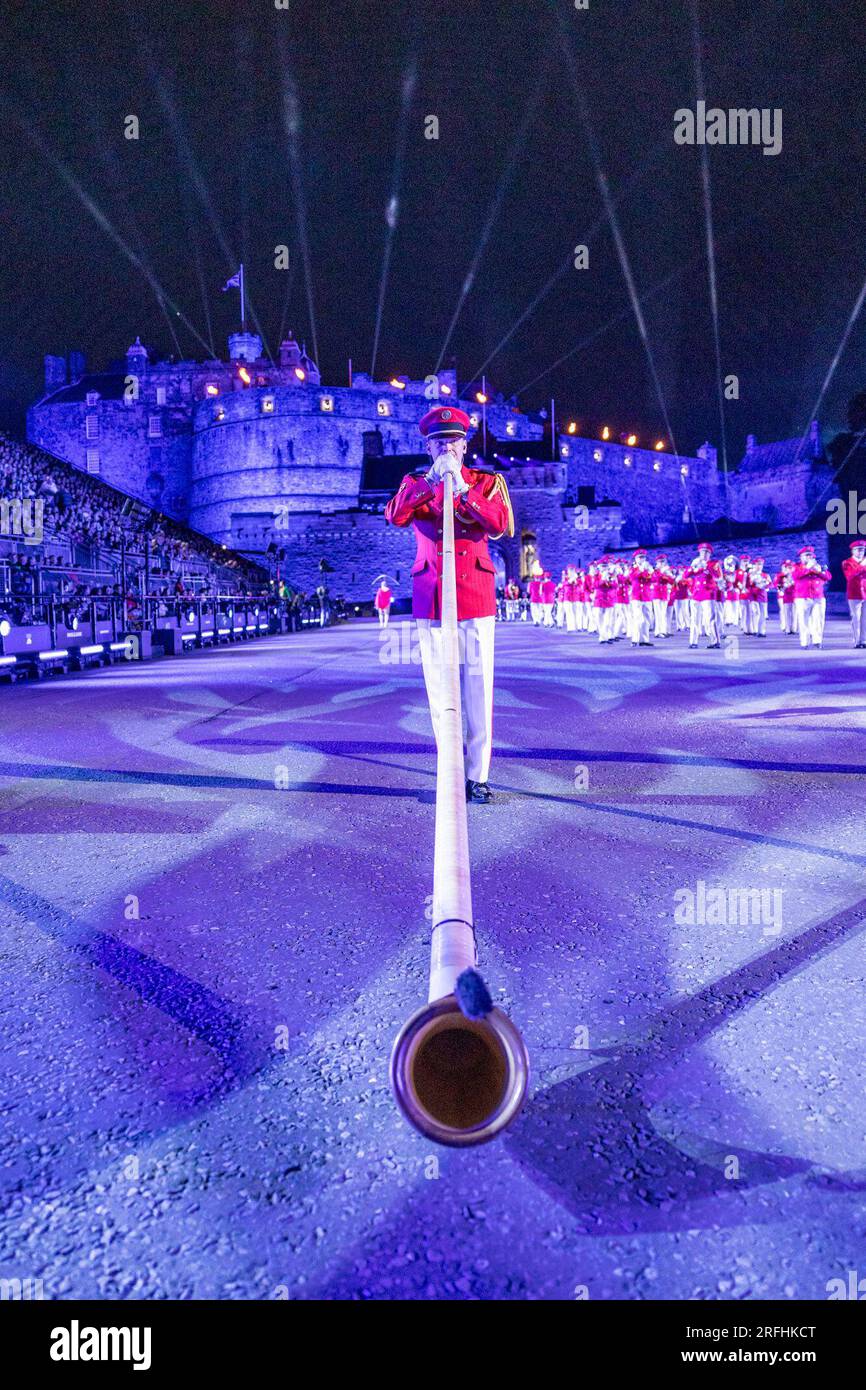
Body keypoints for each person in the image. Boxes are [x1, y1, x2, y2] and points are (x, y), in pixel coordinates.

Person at [384, 403, 514, 804]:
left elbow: (499, 524)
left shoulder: (485, 482)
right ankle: (450, 770)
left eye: (453, 441)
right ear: (428, 446)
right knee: (441, 689)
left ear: (465, 444)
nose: (447, 448)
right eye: (439, 442)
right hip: (432, 596)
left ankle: (477, 775)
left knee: (477, 688)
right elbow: (395, 515)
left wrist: (461, 489)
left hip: (474, 594)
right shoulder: (415, 482)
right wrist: (430, 483)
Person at [791, 546, 831, 648]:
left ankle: (817, 641)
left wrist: (819, 571)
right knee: (803, 620)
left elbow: (828, 577)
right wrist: (807, 568)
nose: (809, 557)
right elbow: (795, 576)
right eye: (806, 555)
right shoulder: (796, 566)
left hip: (818, 596)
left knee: (818, 619)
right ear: (801, 557)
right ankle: (804, 642)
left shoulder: (818, 566)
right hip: (802, 597)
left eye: (810, 555)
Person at [842, 540, 866, 647]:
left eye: (862, 550)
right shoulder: (847, 562)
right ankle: (857, 641)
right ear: (852, 551)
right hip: (854, 593)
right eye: (858, 550)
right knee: (856, 618)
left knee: (865, 618)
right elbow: (850, 576)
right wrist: (863, 566)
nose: (860, 552)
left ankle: (864, 640)